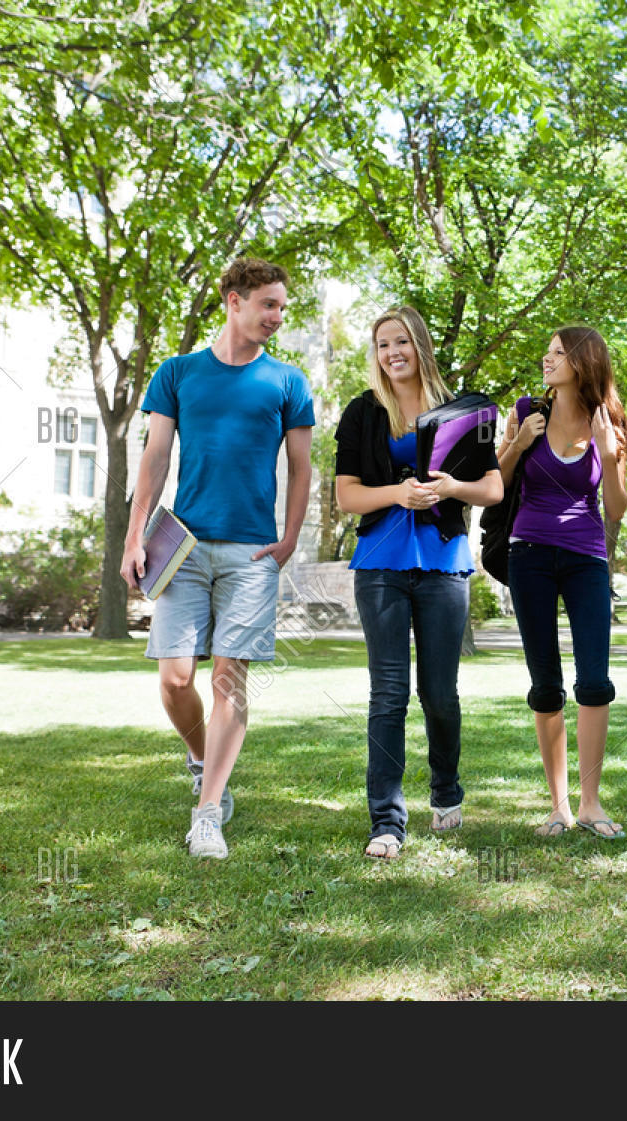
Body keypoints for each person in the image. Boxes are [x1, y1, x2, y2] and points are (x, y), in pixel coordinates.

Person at [121, 257, 314, 860]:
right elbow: (153, 461)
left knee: (230, 680)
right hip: (183, 547)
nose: (277, 317)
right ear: (234, 301)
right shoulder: (178, 374)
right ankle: (204, 757)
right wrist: (134, 537)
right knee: (175, 679)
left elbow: (304, 468)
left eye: (282, 307)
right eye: (268, 305)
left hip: (253, 553)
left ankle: (208, 812)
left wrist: (288, 539)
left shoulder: (288, 382)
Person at [333, 307, 503, 860]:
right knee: (388, 694)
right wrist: (397, 494)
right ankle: (386, 821)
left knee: (439, 694)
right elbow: (347, 496)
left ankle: (446, 793)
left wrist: (453, 486)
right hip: (380, 565)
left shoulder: (464, 411)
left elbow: (494, 490)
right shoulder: (362, 413)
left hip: (444, 564)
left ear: (420, 345)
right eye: (382, 344)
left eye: (401, 341)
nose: (391, 353)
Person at [498, 327, 627, 839]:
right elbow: (496, 484)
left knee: (594, 681)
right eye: (547, 352)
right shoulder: (527, 410)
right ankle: (558, 806)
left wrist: (609, 452)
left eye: (558, 353)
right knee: (546, 684)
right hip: (527, 554)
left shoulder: (609, 421)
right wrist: (519, 442)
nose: (547, 360)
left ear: (583, 362)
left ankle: (591, 803)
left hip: (586, 559)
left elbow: (615, 510)